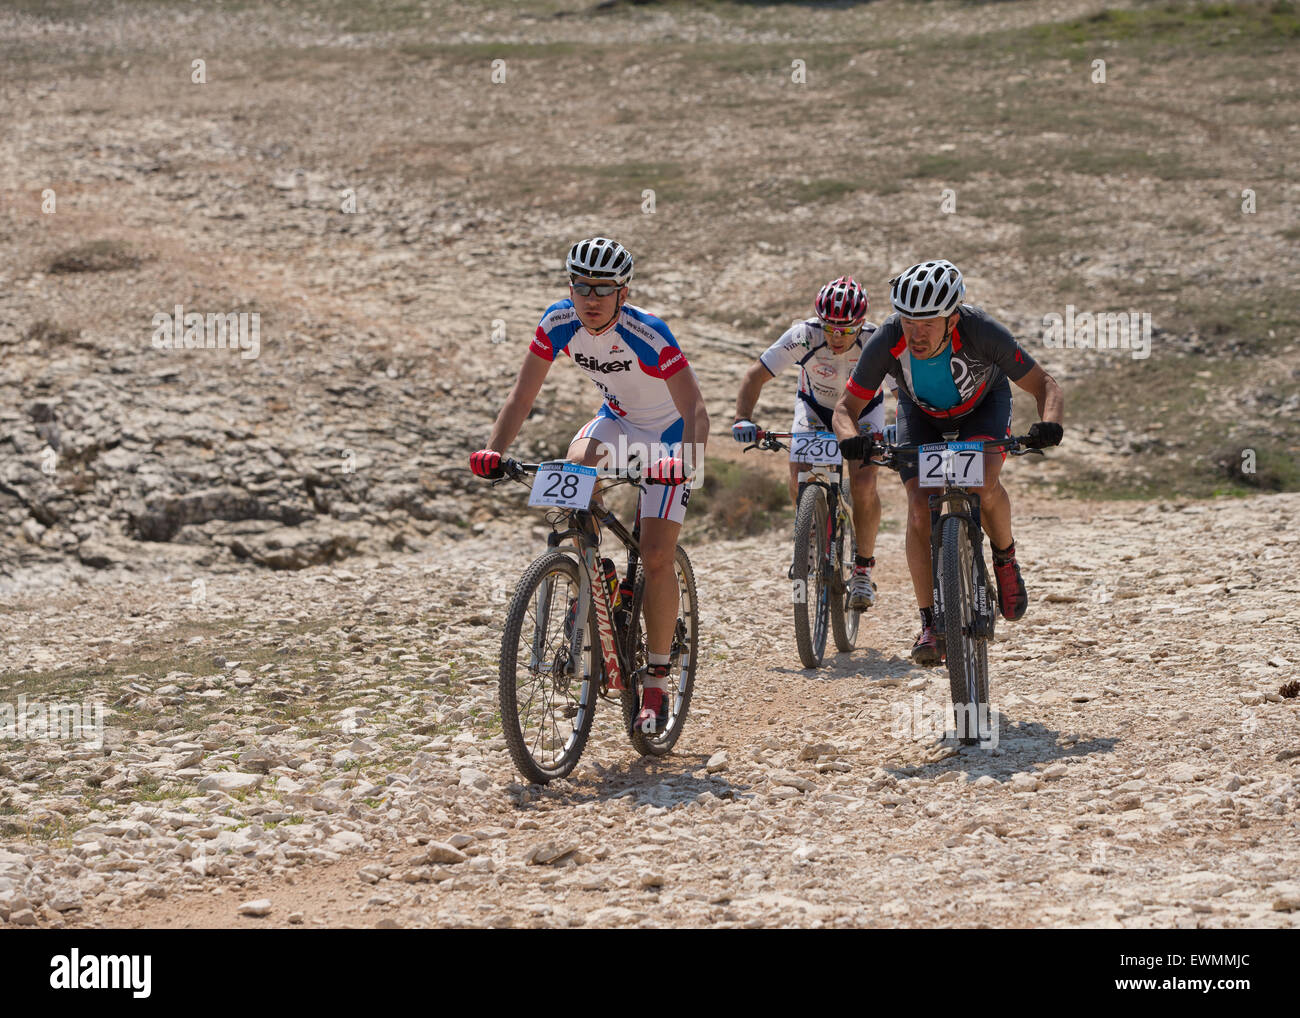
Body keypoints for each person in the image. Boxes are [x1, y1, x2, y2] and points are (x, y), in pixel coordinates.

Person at [469, 237, 709, 731]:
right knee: (578, 463)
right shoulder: (557, 322)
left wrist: (685, 461)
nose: (591, 298)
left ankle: (659, 681)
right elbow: (522, 395)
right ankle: (592, 575)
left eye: (603, 288)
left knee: (658, 554)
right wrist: (495, 450)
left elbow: (695, 408)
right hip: (617, 423)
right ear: (570, 288)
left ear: (624, 292)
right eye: (581, 286)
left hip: (667, 437)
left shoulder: (649, 332)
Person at [833, 260, 1064, 664]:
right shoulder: (888, 338)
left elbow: (1044, 383)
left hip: (982, 408)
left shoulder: (982, 331)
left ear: (952, 318)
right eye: (908, 323)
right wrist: (850, 439)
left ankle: (1005, 558)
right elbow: (844, 408)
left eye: (928, 324)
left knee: (983, 483)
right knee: (920, 510)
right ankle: (929, 622)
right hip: (920, 414)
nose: (916, 334)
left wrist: (1049, 423)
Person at [732, 276, 884, 609]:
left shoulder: (876, 341)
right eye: (830, 327)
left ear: (861, 324)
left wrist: (899, 427)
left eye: (846, 330)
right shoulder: (804, 335)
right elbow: (755, 374)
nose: (837, 336)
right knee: (798, 466)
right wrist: (743, 417)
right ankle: (808, 535)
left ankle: (862, 568)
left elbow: (904, 389)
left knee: (863, 479)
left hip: (863, 411)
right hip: (814, 407)